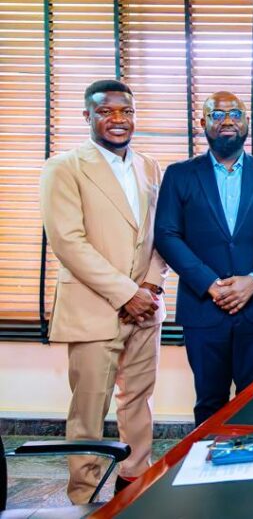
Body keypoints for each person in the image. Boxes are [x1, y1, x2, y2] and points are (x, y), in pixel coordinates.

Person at [39, 79, 167, 501]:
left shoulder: (150, 167)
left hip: (146, 309)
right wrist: (126, 293)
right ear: (87, 116)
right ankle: (84, 495)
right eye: (105, 111)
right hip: (93, 308)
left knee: (139, 404)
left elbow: (161, 234)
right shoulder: (64, 167)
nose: (118, 119)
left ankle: (136, 483)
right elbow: (68, 242)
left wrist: (150, 285)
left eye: (126, 111)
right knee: (89, 411)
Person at [154, 92, 253, 425]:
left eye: (236, 114)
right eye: (217, 114)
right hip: (203, 308)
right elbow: (167, 235)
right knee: (209, 402)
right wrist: (210, 283)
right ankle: (207, 460)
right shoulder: (180, 174)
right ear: (202, 123)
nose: (228, 120)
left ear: (247, 122)